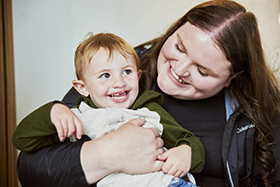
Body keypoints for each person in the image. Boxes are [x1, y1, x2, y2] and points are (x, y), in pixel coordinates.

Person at [15, 0, 280, 186]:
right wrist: (106, 154)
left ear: (230, 79)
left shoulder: (259, 109)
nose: (180, 70)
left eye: (203, 71)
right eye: (179, 47)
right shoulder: (120, 73)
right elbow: (31, 170)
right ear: (175, 29)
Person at [12, 33, 204, 187]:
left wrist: (186, 153)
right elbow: (22, 140)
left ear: (138, 76)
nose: (119, 82)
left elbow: (188, 140)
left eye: (127, 72)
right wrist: (53, 111)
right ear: (82, 88)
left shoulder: (150, 110)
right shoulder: (78, 117)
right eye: (105, 75)